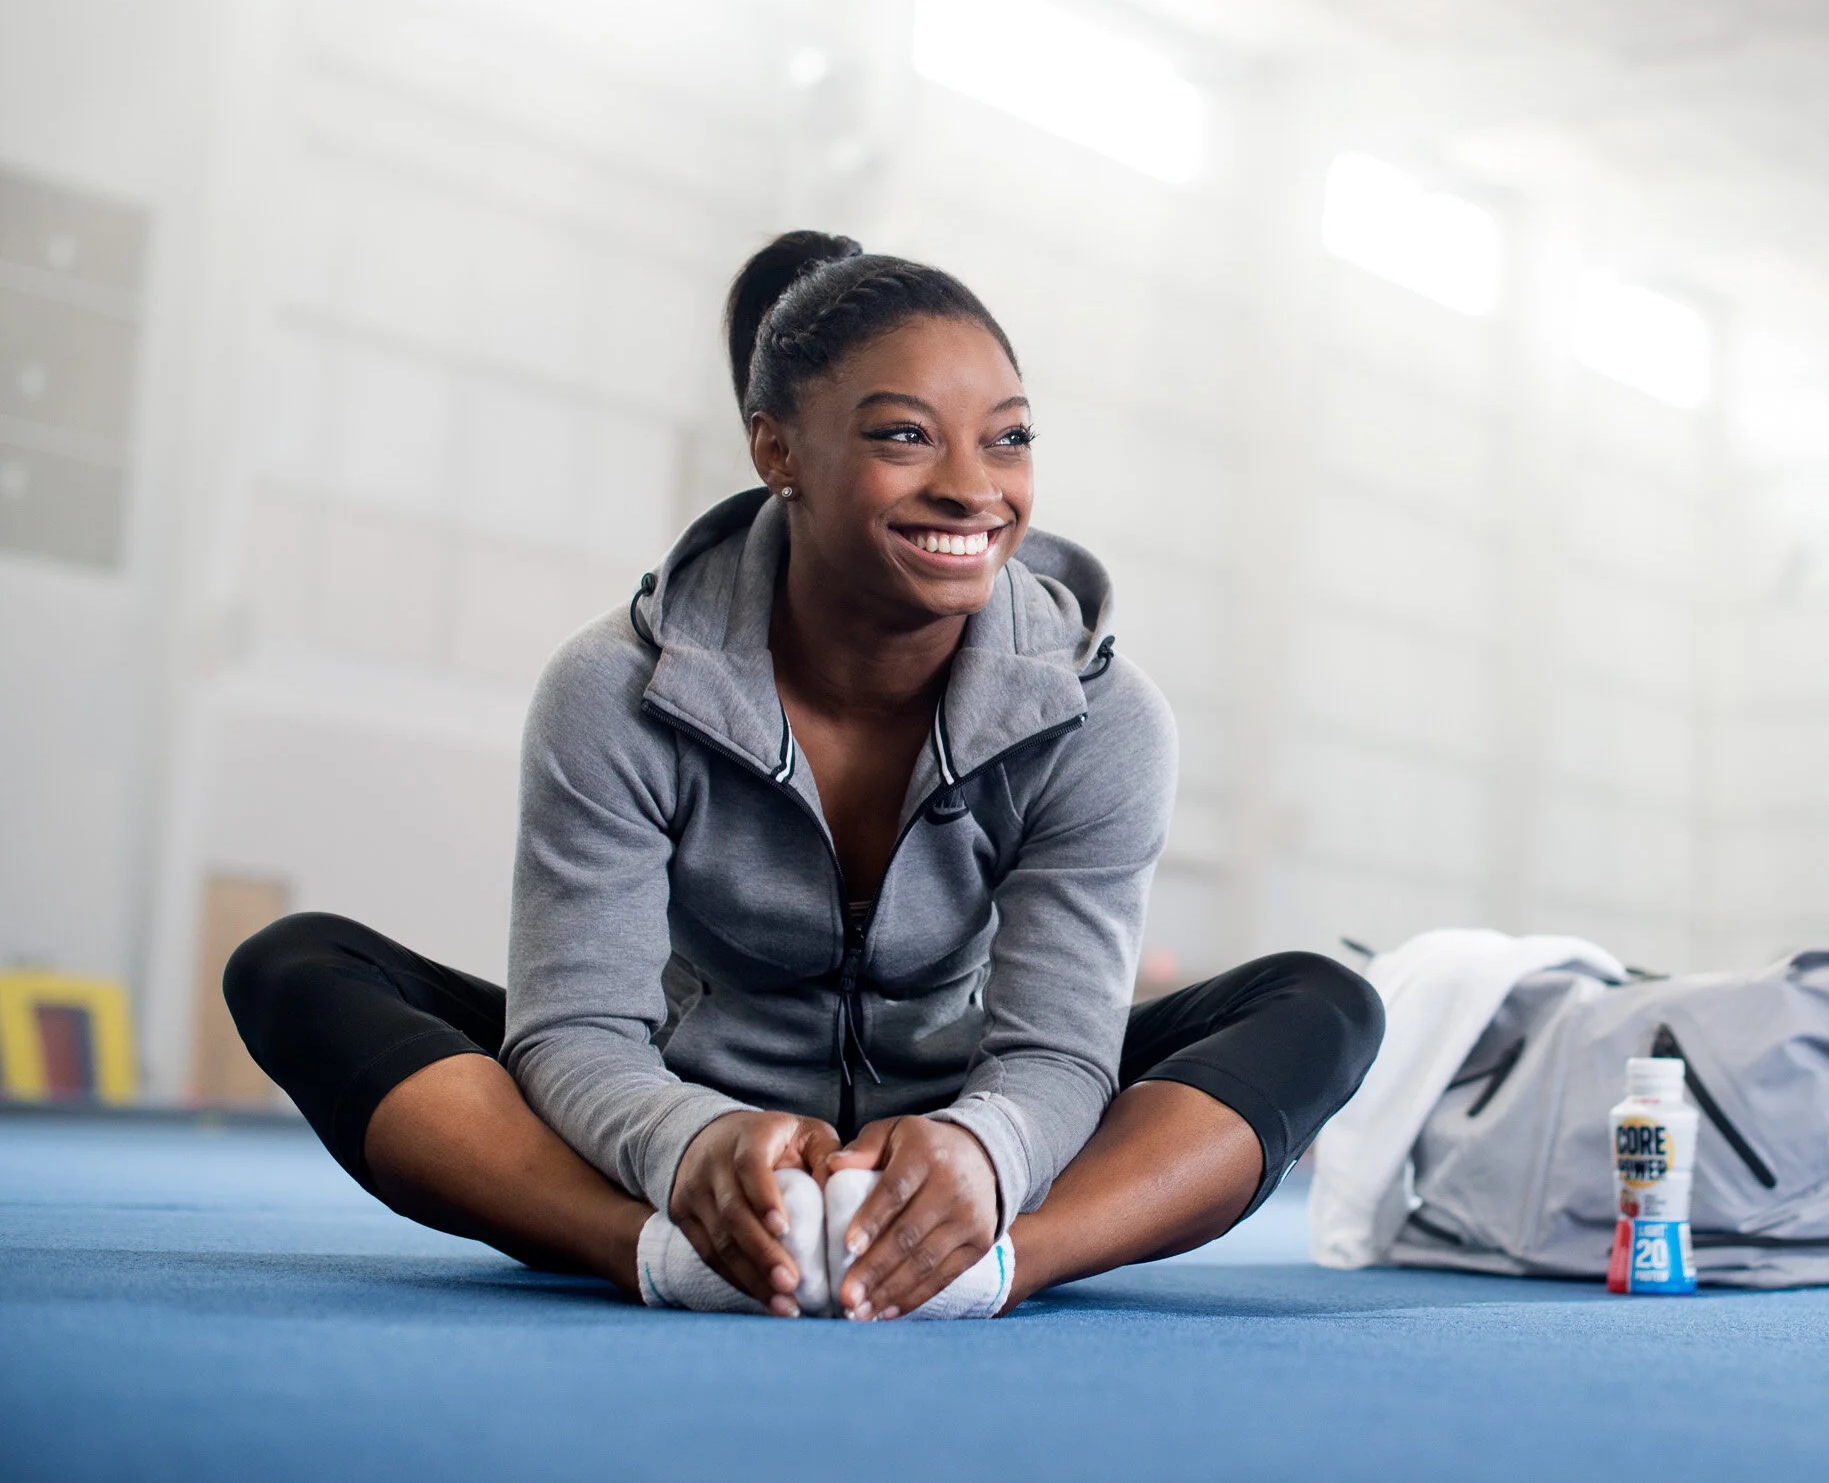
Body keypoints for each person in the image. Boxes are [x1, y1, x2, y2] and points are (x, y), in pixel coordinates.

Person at [224, 232, 1384, 1320]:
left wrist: (987, 1151)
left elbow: (1055, 1050)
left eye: (1010, 437)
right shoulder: (612, 688)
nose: (975, 488)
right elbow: (577, 1028)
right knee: (296, 968)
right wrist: (685, 1143)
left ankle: (983, 1264)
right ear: (777, 449)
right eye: (904, 435)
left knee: (1323, 1002)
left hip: (968, 1092)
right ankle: (670, 1252)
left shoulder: (1102, 714)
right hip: (690, 1095)